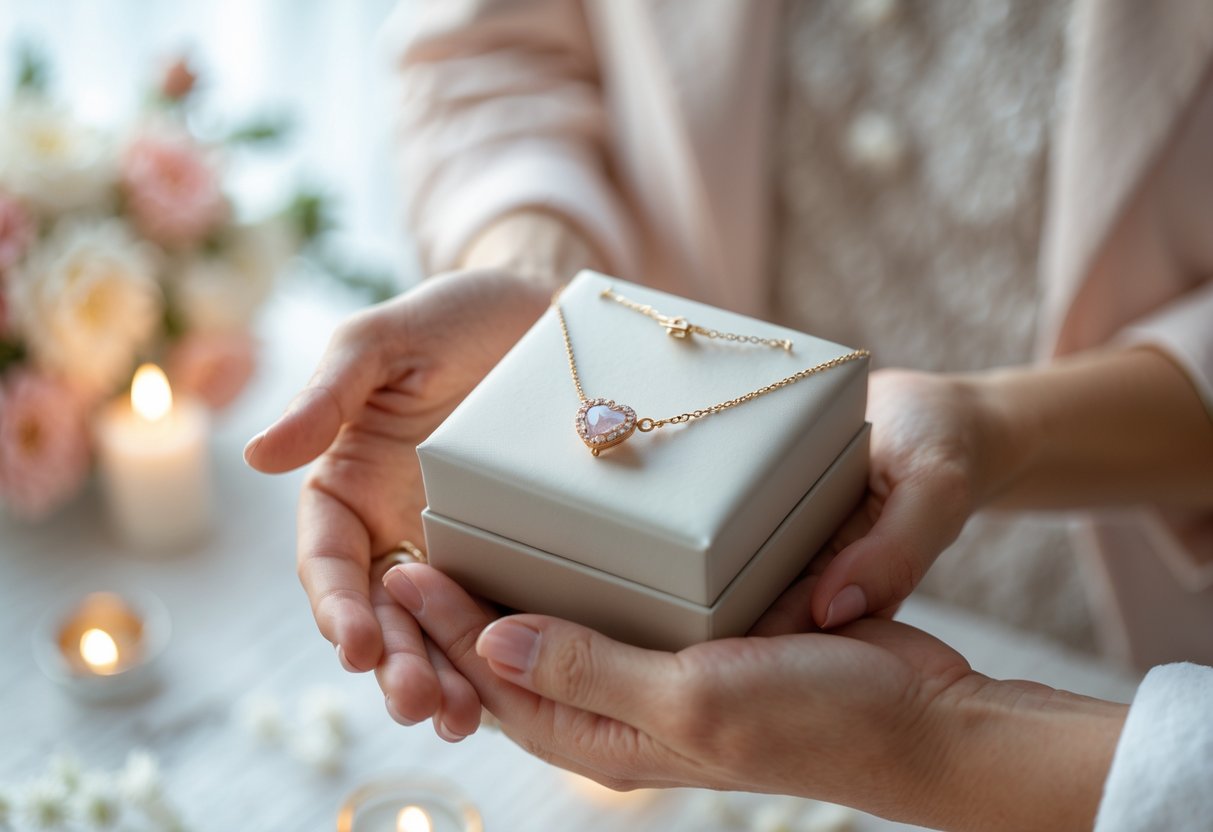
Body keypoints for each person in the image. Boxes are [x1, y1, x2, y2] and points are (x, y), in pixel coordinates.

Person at [243, 0, 1213, 827]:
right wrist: (535, 273)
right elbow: (495, 46)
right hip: (673, 532)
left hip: (1137, 601)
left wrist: (1002, 431)